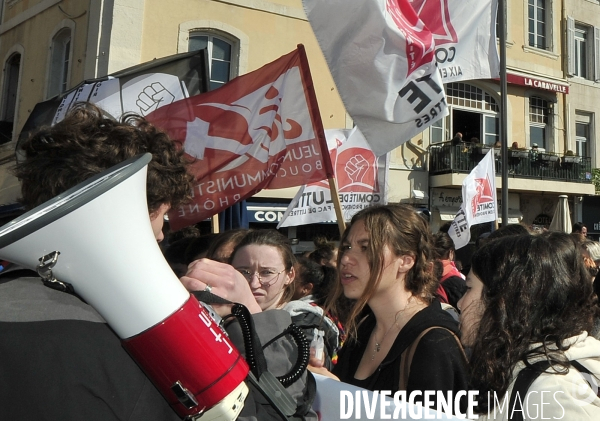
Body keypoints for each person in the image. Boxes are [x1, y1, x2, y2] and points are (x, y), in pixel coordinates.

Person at [1, 103, 316, 420]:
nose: (162, 236)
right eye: (163, 218)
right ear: (134, 208)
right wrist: (252, 318)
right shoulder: (126, 343)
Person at [319, 204, 468, 405]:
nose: (346, 259)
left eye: (366, 248)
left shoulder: (434, 342)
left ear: (406, 261)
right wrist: (325, 384)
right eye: (347, 247)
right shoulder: (364, 326)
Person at [458, 232, 600, 419]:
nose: (459, 303)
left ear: (505, 302)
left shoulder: (552, 394)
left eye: (469, 288)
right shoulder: (518, 370)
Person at [229, 229, 340, 369]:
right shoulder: (219, 315)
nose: (254, 283)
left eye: (267, 272)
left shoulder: (304, 324)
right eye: (244, 272)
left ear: (290, 275)